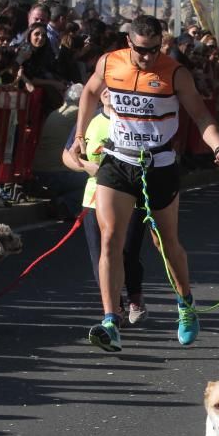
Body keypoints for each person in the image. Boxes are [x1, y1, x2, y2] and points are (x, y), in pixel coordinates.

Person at [70, 15, 219, 352]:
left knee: (165, 242)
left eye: (155, 49)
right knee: (110, 240)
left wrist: (217, 146)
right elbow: (89, 94)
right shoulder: (109, 63)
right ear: (128, 43)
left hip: (158, 165)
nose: (148, 57)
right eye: (141, 50)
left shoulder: (175, 72)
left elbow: (201, 115)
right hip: (118, 162)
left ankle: (186, 304)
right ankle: (110, 320)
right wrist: (78, 137)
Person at [62, 86, 150, 324]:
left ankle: (134, 297)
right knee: (100, 254)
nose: (108, 93)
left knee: (128, 251)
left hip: (130, 195)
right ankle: (114, 308)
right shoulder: (89, 120)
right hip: (94, 197)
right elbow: (68, 154)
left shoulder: (136, 120)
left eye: (114, 89)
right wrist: (86, 167)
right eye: (104, 89)